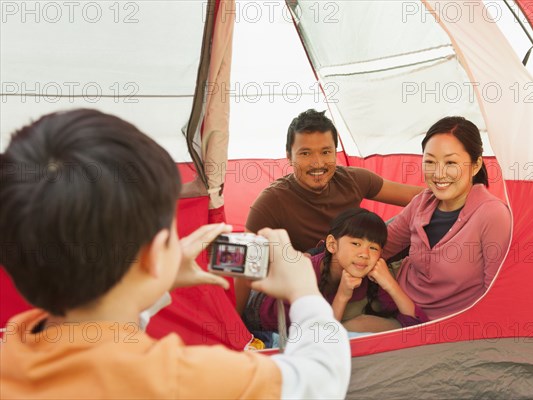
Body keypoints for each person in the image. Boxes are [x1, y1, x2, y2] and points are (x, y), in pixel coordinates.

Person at [0, 109, 351, 399]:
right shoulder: (184, 380)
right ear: (154, 254)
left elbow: (98, 342)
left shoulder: (14, 345)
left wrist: (153, 284)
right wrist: (304, 292)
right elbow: (320, 381)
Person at [239, 109, 423, 312]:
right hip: (302, 286)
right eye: (305, 153)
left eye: (326, 152)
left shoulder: (354, 180)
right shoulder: (271, 201)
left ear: (335, 153)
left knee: (419, 213)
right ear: (289, 157)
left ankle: (427, 293)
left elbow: (420, 198)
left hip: (350, 269)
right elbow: (245, 266)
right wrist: (236, 330)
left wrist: (460, 190)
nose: (317, 163)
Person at [382, 116, 512, 320]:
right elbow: (380, 245)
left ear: (476, 165)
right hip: (393, 301)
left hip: (445, 327)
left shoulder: (492, 215)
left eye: (451, 162)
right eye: (430, 162)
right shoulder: (421, 202)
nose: (439, 173)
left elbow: (495, 297)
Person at [246, 208, 428, 337]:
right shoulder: (305, 271)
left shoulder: (371, 277)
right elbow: (320, 335)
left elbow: (417, 324)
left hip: (314, 325)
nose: (364, 254)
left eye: (373, 248)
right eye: (356, 244)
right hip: (259, 311)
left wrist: (390, 283)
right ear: (332, 244)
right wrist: (342, 294)